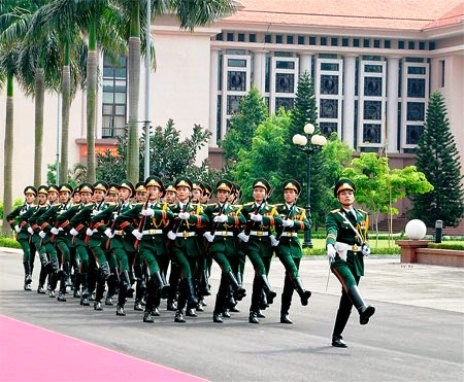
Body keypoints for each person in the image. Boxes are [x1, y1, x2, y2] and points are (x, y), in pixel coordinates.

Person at [326, 178, 375, 348]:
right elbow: (331, 230)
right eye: (343, 193)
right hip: (340, 258)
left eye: (349, 193)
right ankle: (363, 308)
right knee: (349, 282)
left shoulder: (362, 215)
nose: (347, 196)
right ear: (338, 197)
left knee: (347, 299)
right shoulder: (334, 215)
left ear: (353, 195)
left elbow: (364, 236)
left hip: (356, 260)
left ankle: (337, 336)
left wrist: (366, 246)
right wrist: (330, 244)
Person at [203, 179, 247, 323]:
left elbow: (242, 219)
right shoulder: (210, 209)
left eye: (225, 192)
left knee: (224, 281)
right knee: (225, 266)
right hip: (216, 245)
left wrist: (227, 217)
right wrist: (206, 232)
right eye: (220, 192)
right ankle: (237, 286)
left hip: (231, 246)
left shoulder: (235, 210)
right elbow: (203, 220)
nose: (222, 195)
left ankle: (218, 311)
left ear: (229, 195)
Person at [237, 178, 279, 324]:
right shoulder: (247, 207)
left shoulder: (271, 209)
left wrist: (263, 219)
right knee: (259, 268)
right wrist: (246, 224)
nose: (258, 193)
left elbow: (278, 221)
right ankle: (265, 295)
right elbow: (238, 219)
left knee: (260, 277)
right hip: (252, 243)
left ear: (266, 193)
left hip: (266, 244)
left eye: (261, 191)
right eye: (256, 190)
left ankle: (256, 308)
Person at [273, 179, 312, 324]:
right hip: (282, 243)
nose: (288, 195)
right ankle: (302, 291)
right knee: (291, 267)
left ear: (296, 195)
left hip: (294, 245)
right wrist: (280, 221)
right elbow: (273, 218)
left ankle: (284, 313)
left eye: (292, 192)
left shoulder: (300, 211)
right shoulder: (277, 208)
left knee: (289, 281)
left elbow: (307, 225)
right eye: (286, 192)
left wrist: (293, 223)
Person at [6, 186, 37, 290]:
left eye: (31, 195)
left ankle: (27, 281)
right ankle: (28, 275)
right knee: (27, 252)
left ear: (34, 197)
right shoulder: (20, 208)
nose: (29, 197)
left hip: (32, 236)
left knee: (31, 259)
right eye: (27, 195)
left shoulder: (37, 209)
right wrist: (14, 226)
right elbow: (9, 217)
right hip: (23, 235)